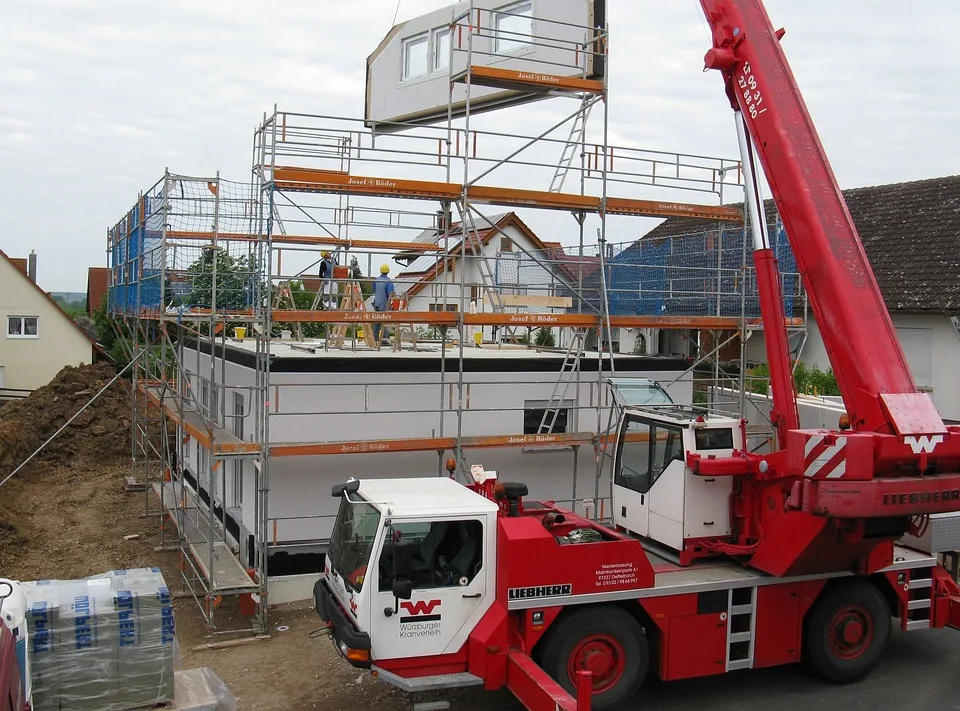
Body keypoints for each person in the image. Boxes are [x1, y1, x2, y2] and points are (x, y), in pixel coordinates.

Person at [372, 263, 395, 344]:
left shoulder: (376, 280)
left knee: (377, 323)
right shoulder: (388, 282)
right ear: (388, 271)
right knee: (385, 322)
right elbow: (390, 294)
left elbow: (374, 290)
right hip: (384, 304)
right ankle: (384, 341)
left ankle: (375, 340)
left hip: (376, 304)